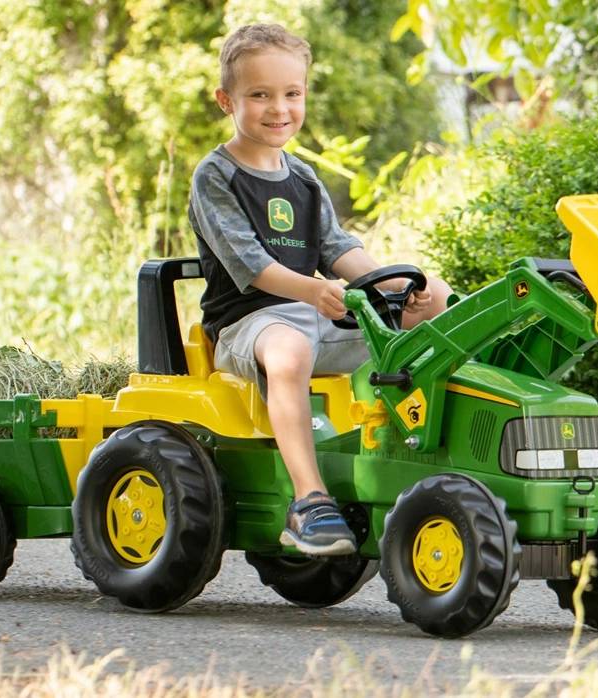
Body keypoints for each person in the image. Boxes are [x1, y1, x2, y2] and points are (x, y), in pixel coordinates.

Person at [186, 23, 452, 556]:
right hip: (249, 327)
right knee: (289, 350)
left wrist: (404, 285)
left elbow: (339, 249)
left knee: (438, 307)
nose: (278, 108)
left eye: (291, 93)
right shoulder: (216, 176)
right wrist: (311, 291)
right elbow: (251, 265)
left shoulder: (303, 178)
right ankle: (309, 501)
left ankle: (428, 467)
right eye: (259, 94)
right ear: (226, 101)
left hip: (318, 319)